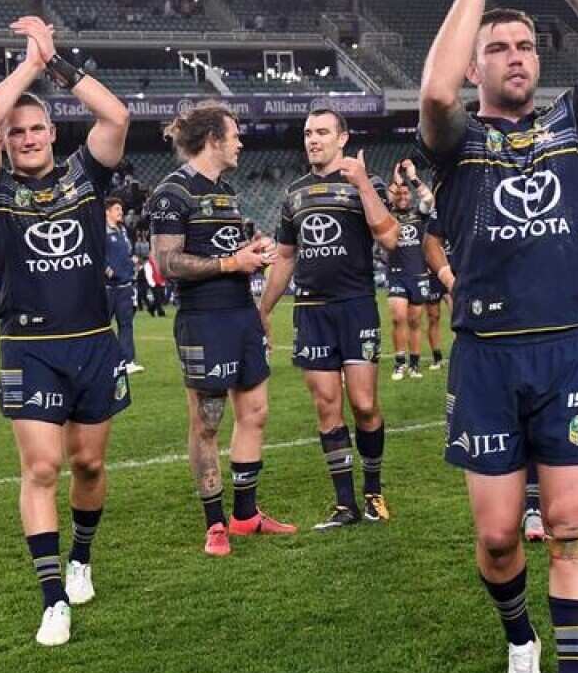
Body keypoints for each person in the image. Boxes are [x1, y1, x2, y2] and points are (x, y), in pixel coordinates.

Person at [418, 0, 578, 673]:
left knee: (570, 529)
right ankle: (521, 640)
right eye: (498, 48)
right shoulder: (456, 138)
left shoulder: (572, 123)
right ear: (475, 66)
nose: (515, 57)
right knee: (497, 538)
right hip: (486, 357)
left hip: (568, 351)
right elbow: (434, 94)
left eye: (525, 46)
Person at [0, 15, 131, 646]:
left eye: (37, 128)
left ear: (54, 133)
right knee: (41, 467)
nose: (28, 138)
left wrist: (56, 63)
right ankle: (53, 596)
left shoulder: (86, 176)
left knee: (88, 463)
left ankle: (82, 558)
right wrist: (28, 67)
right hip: (29, 348)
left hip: (93, 342)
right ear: (5, 142)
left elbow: (115, 117)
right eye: (17, 131)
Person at [148, 101, 296, 558]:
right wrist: (233, 262)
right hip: (204, 320)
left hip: (241, 314)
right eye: (234, 135)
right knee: (207, 422)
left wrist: (253, 252)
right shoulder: (173, 192)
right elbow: (166, 262)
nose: (240, 143)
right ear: (213, 139)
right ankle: (215, 523)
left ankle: (245, 515)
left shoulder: (226, 191)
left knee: (255, 413)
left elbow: (223, 250)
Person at [258, 108, 398, 529]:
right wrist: (262, 310)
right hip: (312, 312)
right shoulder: (295, 193)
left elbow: (390, 238)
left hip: (356, 305)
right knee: (326, 406)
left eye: (322, 132)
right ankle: (345, 504)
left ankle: (373, 493)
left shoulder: (367, 182)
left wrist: (362, 184)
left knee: (365, 404)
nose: (313, 139)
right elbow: (285, 258)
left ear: (343, 138)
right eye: (307, 133)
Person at [385, 159, 436, 381]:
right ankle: (399, 363)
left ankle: (414, 364)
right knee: (398, 317)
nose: (403, 196)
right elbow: (382, 201)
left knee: (415, 321)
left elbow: (429, 199)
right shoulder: (387, 215)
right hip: (396, 274)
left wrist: (413, 177)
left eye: (406, 193)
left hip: (418, 274)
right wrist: (396, 181)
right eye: (399, 193)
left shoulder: (419, 213)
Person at [104, 196, 142, 374]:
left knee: (126, 324)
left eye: (121, 209)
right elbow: (96, 253)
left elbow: (127, 252)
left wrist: (132, 261)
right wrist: (107, 270)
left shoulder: (123, 230)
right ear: (107, 212)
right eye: (117, 209)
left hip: (125, 286)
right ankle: (101, 360)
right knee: (103, 325)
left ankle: (127, 361)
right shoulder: (101, 231)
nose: (121, 212)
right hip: (108, 288)